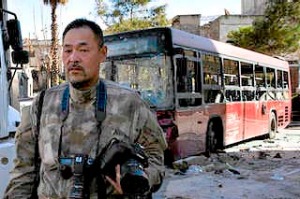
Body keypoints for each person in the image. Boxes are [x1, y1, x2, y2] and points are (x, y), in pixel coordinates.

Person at [4, 18, 167, 199]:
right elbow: (22, 173)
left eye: (83, 50)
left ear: (102, 53)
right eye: (68, 50)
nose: (74, 58)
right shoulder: (42, 104)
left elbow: (156, 159)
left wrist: (138, 181)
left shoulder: (130, 103)